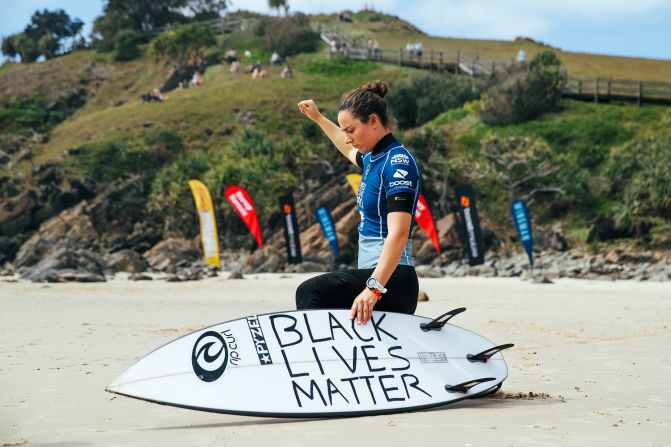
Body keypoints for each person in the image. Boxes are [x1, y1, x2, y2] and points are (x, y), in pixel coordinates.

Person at [296, 80, 421, 325]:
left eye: (351, 130)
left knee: (311, 292)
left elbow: (399, 233)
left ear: (373, 121)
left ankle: (320, 360)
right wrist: (319, 118)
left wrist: (373, 289)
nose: (347, 137)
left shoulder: (398, 164)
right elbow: (346, 148)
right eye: (344, 130)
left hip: (393, 280)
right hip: (376, 278)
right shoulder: (374, 158)